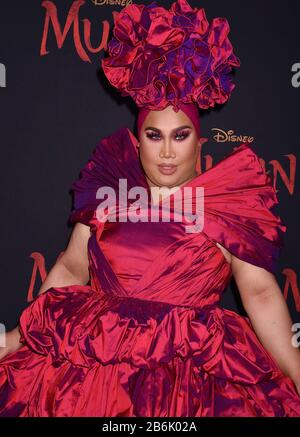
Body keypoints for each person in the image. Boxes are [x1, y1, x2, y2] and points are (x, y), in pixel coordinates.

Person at [0, 0, 300, 417]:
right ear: (138, 140)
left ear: (199, 140)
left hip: (191, 384)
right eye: (154, 136)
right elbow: (70, 271)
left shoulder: (228, 205)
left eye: (180, 136)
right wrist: (14, 338)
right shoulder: (110, 194)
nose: (167, 153)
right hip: (91, 380)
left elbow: (263, 295)